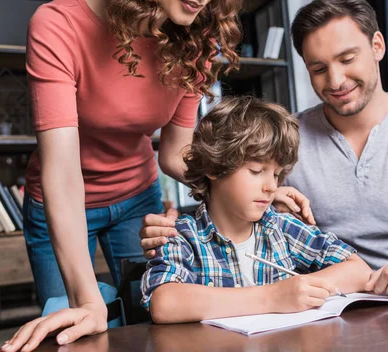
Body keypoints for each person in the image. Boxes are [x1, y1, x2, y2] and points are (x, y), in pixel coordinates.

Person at [140, 0, 388, 305]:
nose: (335, 80)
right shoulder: (284, 139)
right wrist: (175, 230)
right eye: (318, 69)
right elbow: (233, 199)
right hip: (328, 311)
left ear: (377, 46)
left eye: (347, 59)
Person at [3, 0, 243, 351]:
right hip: (59, 204)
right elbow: (61, 169)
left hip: (137, 201)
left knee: (153, 325)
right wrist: (86, 300)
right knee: (74, 332)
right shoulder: (57, 25)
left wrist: (240, 185)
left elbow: (175, 152)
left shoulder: (197, 39)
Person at [142, 96, 373, 323]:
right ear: (213, 167)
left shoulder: (282, 228)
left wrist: (300, 289)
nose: (271, 186)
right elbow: (164, 304)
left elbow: (359, 270)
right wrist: (272, 297)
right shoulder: (182, 236)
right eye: (255, 170)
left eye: (275, 174)